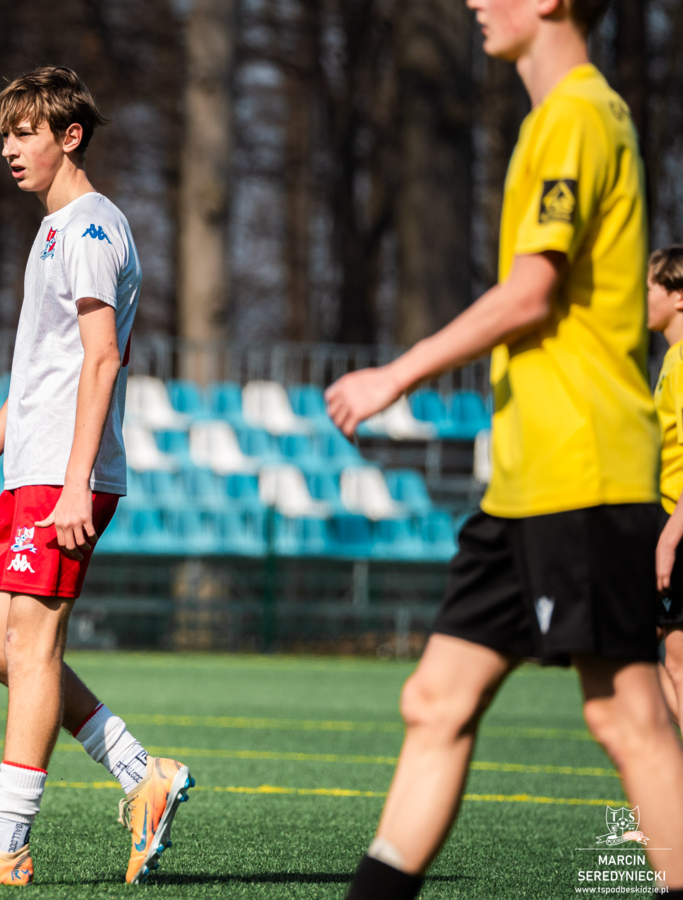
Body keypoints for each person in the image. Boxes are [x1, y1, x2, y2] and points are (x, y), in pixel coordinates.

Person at [325, 0, 683, 895]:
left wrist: (395, 375)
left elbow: (531, 294)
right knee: (434, 701)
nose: (477, 2)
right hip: (527, 485)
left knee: (627, 717)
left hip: (585, 472)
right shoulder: (557, 118)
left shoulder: (577, 115)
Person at [0, 67, 192, 886]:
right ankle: (142, 773)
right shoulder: (56, 229)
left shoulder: (92, 227)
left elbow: (101, 361)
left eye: (25, 132)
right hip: (30, 471)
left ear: (70, 136)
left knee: (31, 647)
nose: (8, 148)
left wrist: (74, 483)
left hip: (64, 475)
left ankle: (7, 844)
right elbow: (41, 375)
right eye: (4, 134)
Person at [648, 246, 683, 724]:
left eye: (649, 288)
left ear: (678, 296)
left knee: (675, 664)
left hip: (676, 524)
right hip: (666, 520)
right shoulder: (672, 359)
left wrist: (670, 538)